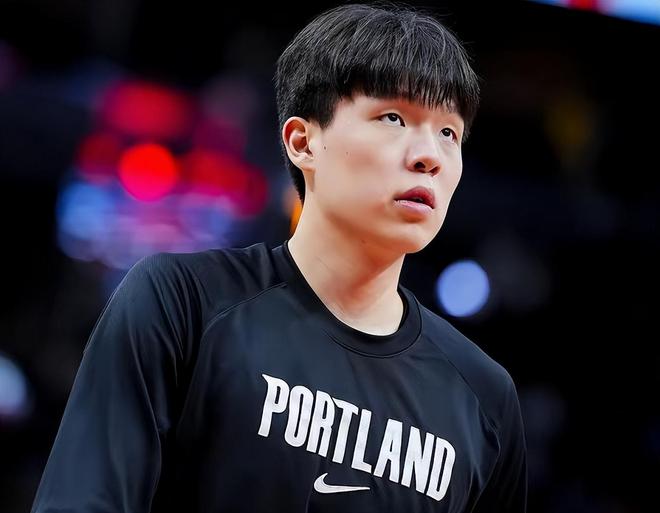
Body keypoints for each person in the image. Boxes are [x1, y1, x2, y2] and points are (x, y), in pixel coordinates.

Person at [31, 3, 527, 512]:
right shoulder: (182, 304)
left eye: (449, 132)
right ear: (302, 142)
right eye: (394, 117)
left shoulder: (485, 398)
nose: (430, 156)